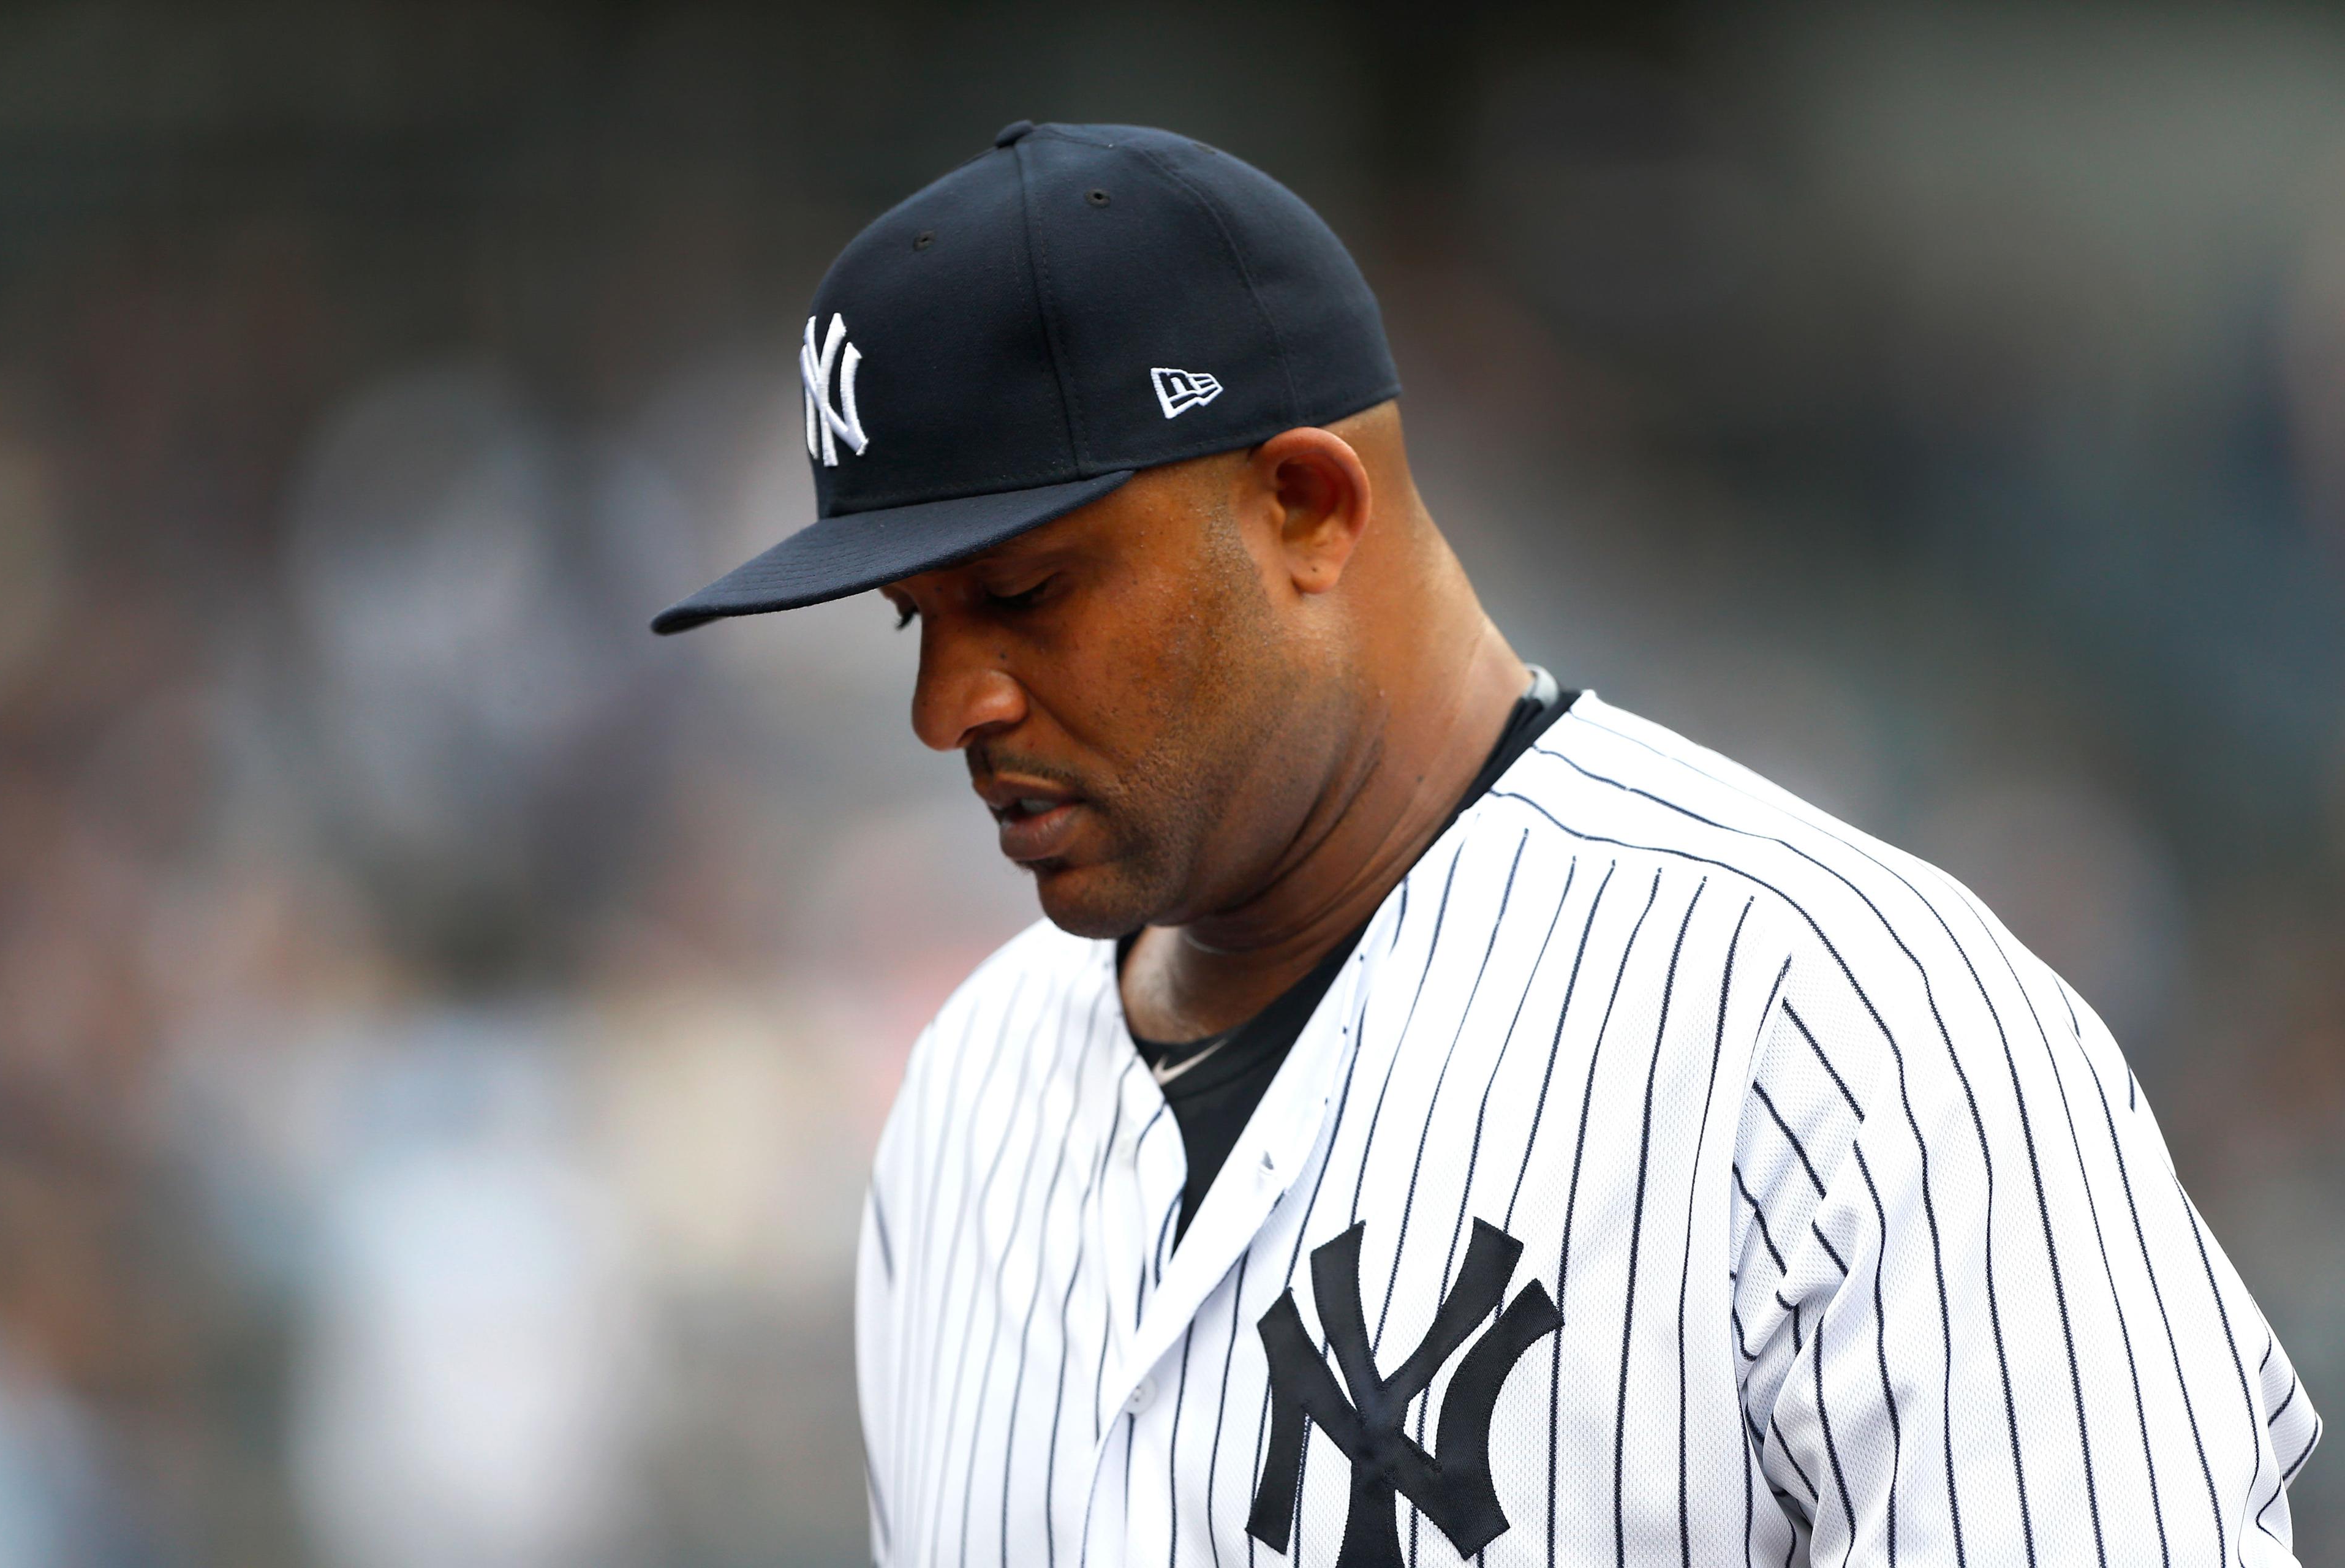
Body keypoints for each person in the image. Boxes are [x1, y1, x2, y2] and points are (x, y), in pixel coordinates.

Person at [654, 121, 2319, 1567]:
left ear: (1308, 506)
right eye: (911, 624)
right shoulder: (968, 1089)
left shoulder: (1837, 1026)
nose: (952, 708)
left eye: (1022, 596)